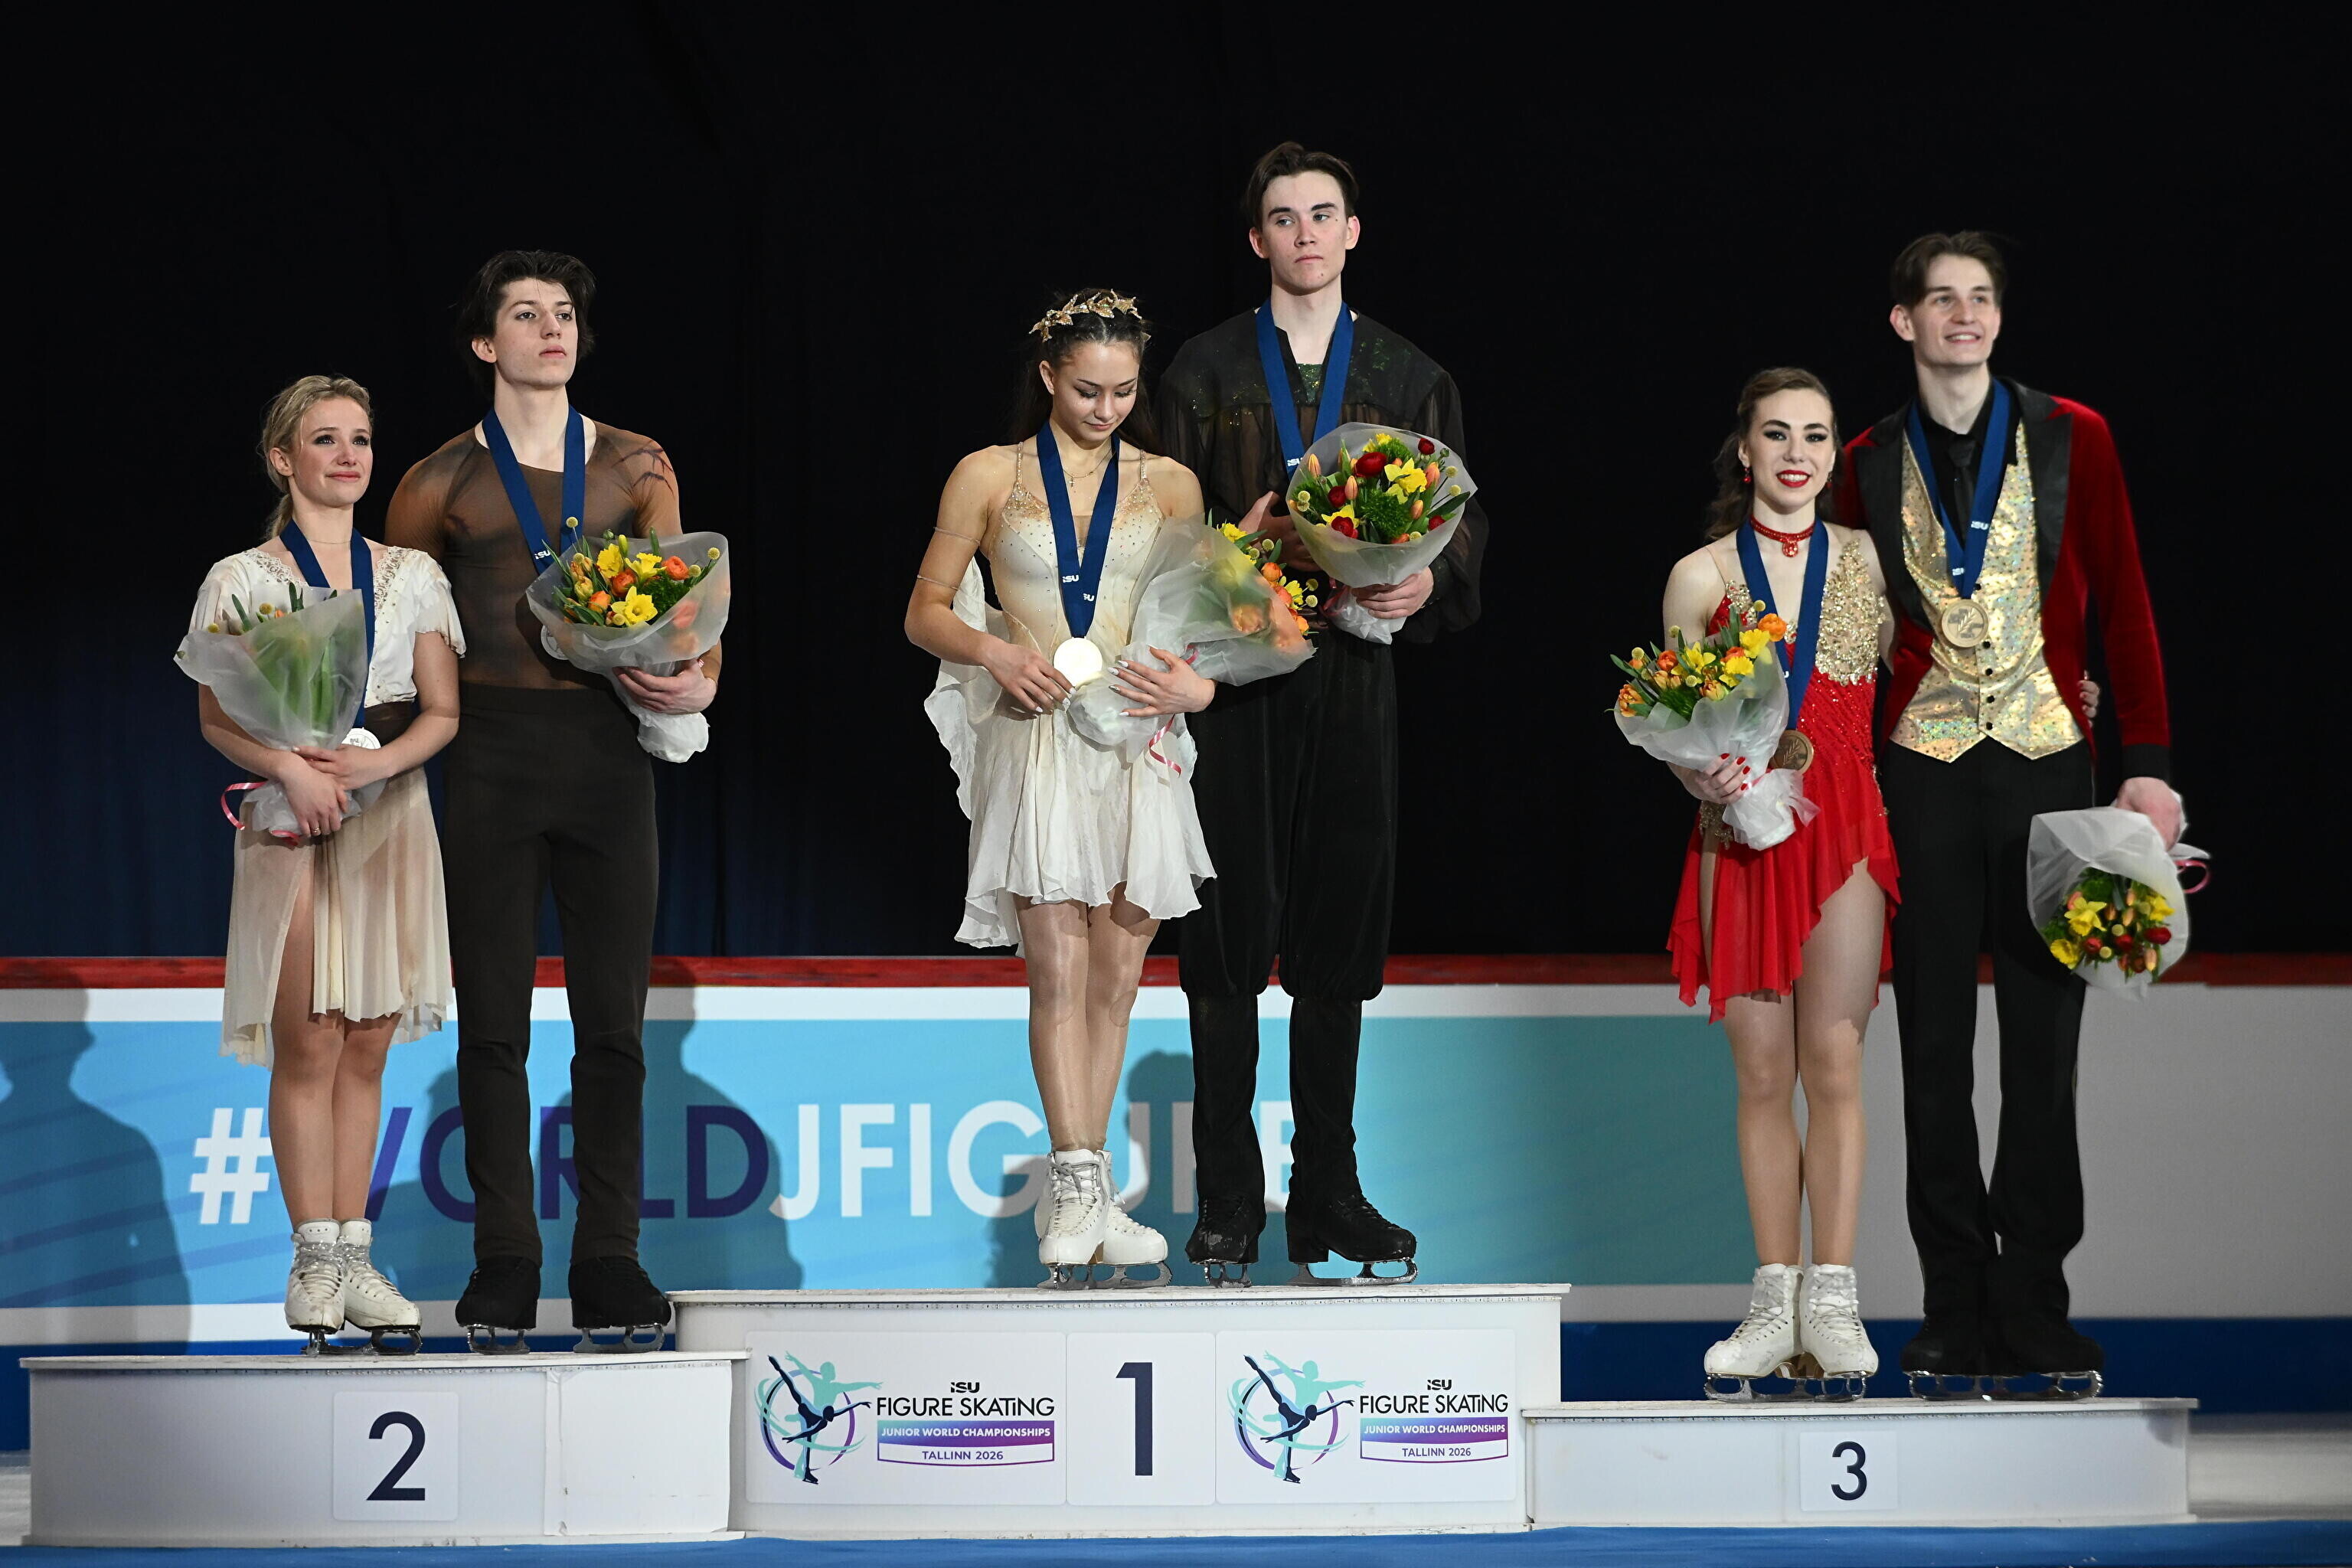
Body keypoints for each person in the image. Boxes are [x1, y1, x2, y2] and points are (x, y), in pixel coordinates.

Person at [1832, 232, 2176, 1396]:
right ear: (1905, 322)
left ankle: (2033, 1301)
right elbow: (1851, 627)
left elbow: (2125, 597)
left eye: (1981, 298)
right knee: (1932, 1048)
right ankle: (1951, 1305)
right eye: (1942, 300)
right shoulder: (1865, 459)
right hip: (1919, 771)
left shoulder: (2077, 434)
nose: (1965, 316)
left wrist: (2149, 762)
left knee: (2044, 1050)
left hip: (2048, 763)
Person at [1156, 142, 1486, 1284]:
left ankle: (1328, 1193)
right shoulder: (1202, 371)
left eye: (1323, 214)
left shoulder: (1409, 373)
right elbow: (1160, 534)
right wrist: (1235, 546)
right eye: (1284, 217)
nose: (1305, 233)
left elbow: (1463, 525)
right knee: (1223, 935)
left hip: (1352, 674)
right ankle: (1225, 1197)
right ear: (1257, 239)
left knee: (1339, 936)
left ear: (1353, 230)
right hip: (1231, 681)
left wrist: (1423, 582)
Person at [387, 250, 715, 1349]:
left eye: (564, 312)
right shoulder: (436, 481)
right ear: (487, 343)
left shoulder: (635, 462)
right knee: (494, 1027)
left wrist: (696, 678)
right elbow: (396, 643)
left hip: (606, 755)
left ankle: (610, 1257)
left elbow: (687, 610)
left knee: (612, 1026)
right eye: (526, 314)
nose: (551, 329)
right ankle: (505, 1261)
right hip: (486, 756)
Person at [909, 288, 1216, 1286]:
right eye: (1088, 390)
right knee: (1058, 964)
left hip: (1135, 739)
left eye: (1124, 391)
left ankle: (1093, 1192)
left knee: (1120, 973)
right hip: (1036, 732)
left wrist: (1193, 682)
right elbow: (924, 611)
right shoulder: (987, 475)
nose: (1106, 409)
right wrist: (995, 651)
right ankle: (1076, 1176)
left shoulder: (1170, 483)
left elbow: (1196, 615)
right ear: (1048, 375)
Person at [180, 374, 462, 1351]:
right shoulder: (242, 578)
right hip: (294, 819)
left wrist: (378, 762)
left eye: (361, 439)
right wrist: (292, 770)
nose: (348, 455)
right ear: (282, 458)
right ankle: (312, 1255)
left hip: (389, 814)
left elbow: (442, 709)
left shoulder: (413, 574)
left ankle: (356, 1253)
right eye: (326, 439)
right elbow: (216, 715)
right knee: (312, 1038)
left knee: (369, 1039)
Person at [1655, 369, 1898, 1396]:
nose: (1797, 452)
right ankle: (1771, 1304)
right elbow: (1671, 718)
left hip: (1844, 828)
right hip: (1741, 834)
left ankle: (1833, 1304)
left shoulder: (1868, 558)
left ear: (1835, 453)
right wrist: (1701, 775)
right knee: (1761, 1075)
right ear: (1745, 450)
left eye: (1816, 434)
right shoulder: (1701, 574)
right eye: (1778, 434)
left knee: (1833, 1064)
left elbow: (1929, 675)